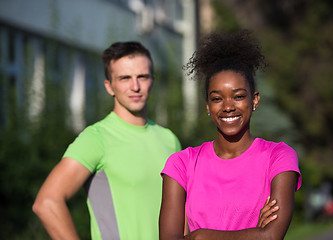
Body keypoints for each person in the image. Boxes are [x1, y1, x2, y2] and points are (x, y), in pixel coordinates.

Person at [159, 30, 302, 240]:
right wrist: (255, 234)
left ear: (254, 100)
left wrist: (200, 236)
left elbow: (271, 236)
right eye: (217, 99)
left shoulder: (279, 156)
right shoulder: (182, 163)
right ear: (208, 105)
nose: (228, 107)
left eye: (238, 96)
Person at [32, 41, 181, 240]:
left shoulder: (169, 140)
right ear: (109, 86)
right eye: (124, 78)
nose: (135, 86)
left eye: (142, 77)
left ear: (152, 80)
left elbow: (183, 214)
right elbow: (47, 202)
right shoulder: (96, 138)